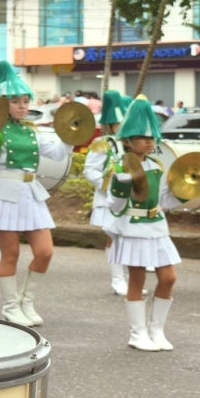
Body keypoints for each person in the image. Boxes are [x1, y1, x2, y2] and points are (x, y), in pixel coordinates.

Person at [0, 60, 72, 327]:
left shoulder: (31, 131)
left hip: (31, 193)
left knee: (45, 251)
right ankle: (10, 307)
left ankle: (25, 302)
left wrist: (72, 133)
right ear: (1, 104)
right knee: (11, 255)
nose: (23, 106)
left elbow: (57, 152)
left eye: (26, 100)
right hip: (3, 194)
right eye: (16, 101)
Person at [106, 96, 190, 351]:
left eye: (152, 137)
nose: (149, 142)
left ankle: (157, 330)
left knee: (168, 277)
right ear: (128, 140)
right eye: (143, 137)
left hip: (157, 226)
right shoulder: (118, 166)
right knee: (137, 280)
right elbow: (116, 207)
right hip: (133, 228)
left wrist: (185, 192)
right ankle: (137, 333)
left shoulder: (156, 165)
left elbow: (164, 199)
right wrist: (121, 186)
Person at [83, 90, 129, 295]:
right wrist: (109, 185)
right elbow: (89, 170)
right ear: (110, 124)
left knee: (128, 237)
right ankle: (117, 279)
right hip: (108, 198)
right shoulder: (101, 143)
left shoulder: (131, 143)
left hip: (130, 199)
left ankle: (128, 278)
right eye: (119, 123)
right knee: (114, 237)